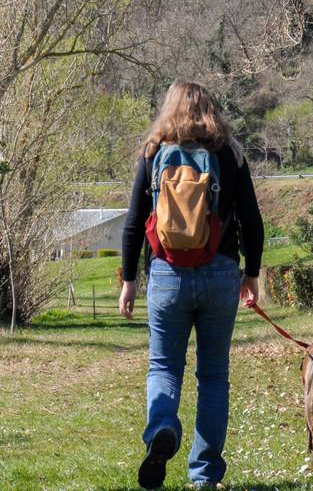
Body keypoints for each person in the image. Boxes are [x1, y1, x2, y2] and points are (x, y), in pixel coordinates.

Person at [118, 81, 264, 490]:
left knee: (164, 366)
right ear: (211, 109)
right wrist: (251, 272)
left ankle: (163, 427)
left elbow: (132, 224)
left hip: (166, 275)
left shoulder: (153, 151)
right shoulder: (229, 153)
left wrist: (129, 280)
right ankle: (204, 475)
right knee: (214, 375)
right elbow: (252, 221)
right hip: (220, 273)